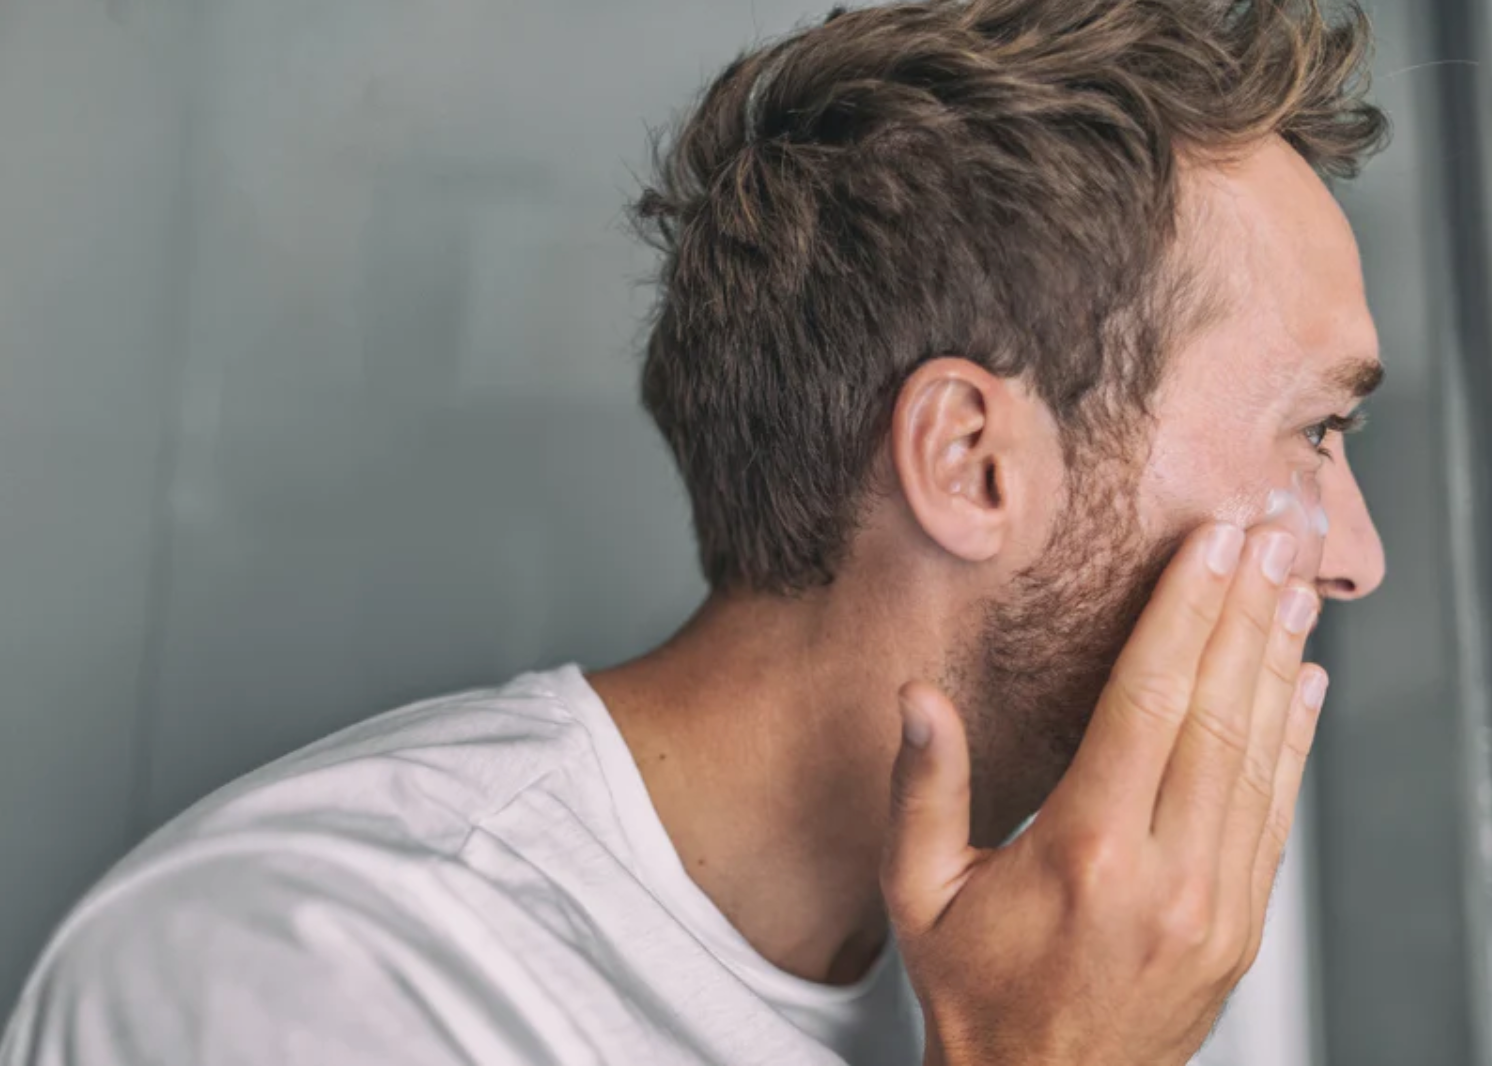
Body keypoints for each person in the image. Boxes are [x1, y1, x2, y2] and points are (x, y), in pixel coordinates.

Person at [1, 0, 1388, 1062]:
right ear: (971, 461)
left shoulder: (1127, 937)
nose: (1356, 554)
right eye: (1315, 433)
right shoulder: (304, 973)